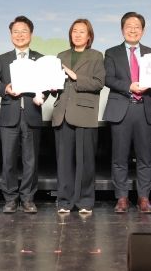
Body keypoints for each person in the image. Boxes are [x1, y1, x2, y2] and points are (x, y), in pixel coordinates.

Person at [0, 16, 45, 214]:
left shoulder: (40, 59)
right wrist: (5, 88)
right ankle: (10, 198)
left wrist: (42, 94)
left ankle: (28, 198)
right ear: (11, 34)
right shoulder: (3, 59)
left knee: (31, 161)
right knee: (8, 160)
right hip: (9, 115)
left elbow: (47, 84)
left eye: (24, 31)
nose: (20, 35)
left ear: (31, 34)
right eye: (16, 32)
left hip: (32, 114)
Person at [103, 12, 151, 213]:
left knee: (145, 157)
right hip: (121, 109)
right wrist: (129, 86)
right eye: (129, 26)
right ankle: (122, 198)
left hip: (144, 109)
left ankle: (144, 198)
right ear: (122, 29)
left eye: (137, 27)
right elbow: (108, 79)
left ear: (143, 30)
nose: (133, 30)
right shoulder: (112, 52)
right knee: (119, 157)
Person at [52, 18, 105, 214]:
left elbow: (99, 83)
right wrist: (51, 86)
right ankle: (64, 201)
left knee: (85, 161)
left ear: (89, 36)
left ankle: (85, 201)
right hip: (62, 113)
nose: (77, 34)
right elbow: (56, 83)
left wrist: (75, 76)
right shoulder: (61, 56)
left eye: (82, 31)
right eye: (74, 31)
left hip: (85, 112)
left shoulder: (96, 56)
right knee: (64, 161)